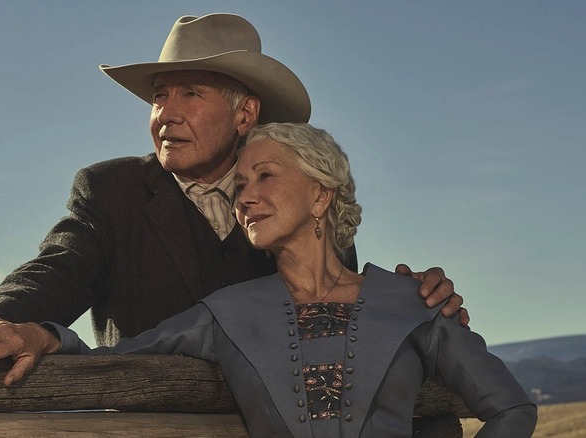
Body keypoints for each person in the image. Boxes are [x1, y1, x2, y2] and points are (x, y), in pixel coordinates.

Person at [0, 13, 466, 389]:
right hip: (152, 425)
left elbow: (333, 299)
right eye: (159, 97)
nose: (166, 114)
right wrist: (0, 322)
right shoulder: (112, 191)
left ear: (245, 113)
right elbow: (59, 267)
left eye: (191, 92)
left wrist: (413, 304)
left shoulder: (297, 192)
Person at [32, 123, 537, 437]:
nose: (245, 196)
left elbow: (512, 409)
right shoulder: (225, 313)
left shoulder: (411, 300)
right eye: (241, 185)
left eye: (266, 176)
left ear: (321, 195)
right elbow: (110, 362)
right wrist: (42, 333)